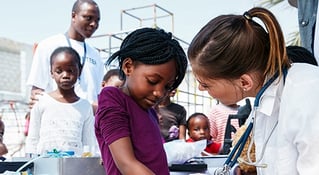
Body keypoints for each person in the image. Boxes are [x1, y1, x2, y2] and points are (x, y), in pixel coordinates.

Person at [187, 7, 319, 175]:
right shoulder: (264, 101)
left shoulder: (308, 94)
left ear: (244, 82)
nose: (200, 89)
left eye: (205, 84)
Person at [95, 27, 188, 175]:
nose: (159, 93)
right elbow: (127, 164)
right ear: (128, 67)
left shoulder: (149, 111)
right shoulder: (112, 99)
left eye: (167, 87)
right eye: (152, 81)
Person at [27, 0, 104, 112]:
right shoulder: (48, 45)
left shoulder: (95, 55)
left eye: (97, 20)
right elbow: (36, 93)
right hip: (58, 121)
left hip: (88, 124)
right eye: (88, 18)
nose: (94, 24)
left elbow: (97, 96)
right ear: (74, 16)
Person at [25, 47, 96, 156]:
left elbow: (88, 143)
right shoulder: (41, 101)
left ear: (79, 71)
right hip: (44, 168)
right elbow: (32, 139)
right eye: (59, 71)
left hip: (74, 169)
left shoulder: (85, 106)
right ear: (51, 73)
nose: (65, 76)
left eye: (70, 70)